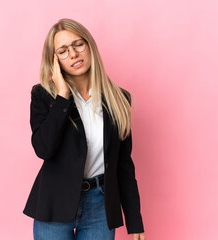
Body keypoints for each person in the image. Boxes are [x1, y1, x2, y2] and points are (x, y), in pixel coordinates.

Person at [23, 18, 146, 240]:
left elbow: (124, 165)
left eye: (78, 44)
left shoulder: (119, 99)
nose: (73, 54)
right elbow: (43, 149)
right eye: (63, 50)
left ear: (89, 45)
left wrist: (134, 221)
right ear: (54, 60)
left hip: (100, 204)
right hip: (54, 203)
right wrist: (63, 97)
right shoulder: (43, 96)